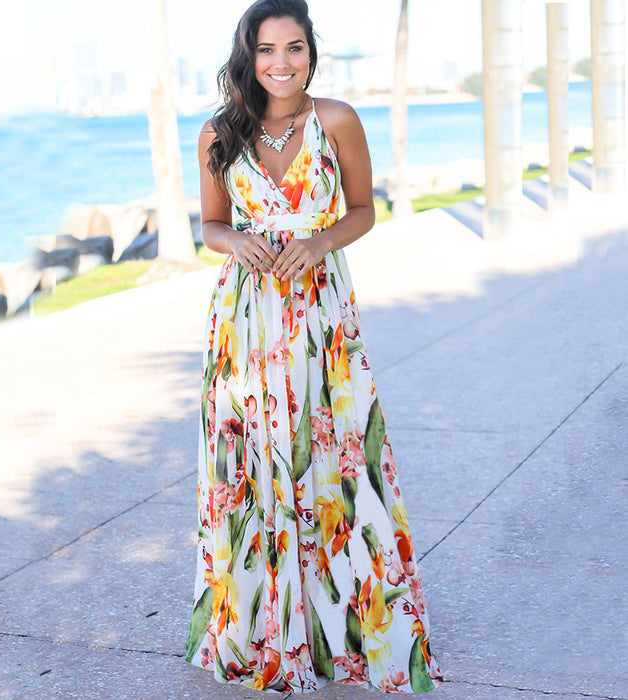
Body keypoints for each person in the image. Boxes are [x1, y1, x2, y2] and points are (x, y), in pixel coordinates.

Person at [184, 0, 444, 693]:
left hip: (321, 319)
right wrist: (236, 240)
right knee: (254, 471)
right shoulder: (219, 132)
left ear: (310, 51)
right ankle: (267, 633)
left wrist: (320, 240)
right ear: (248, 55)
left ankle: (347, 634)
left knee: (335, 461)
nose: (281, 63)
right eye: (267, 50)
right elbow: (209, 225)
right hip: (245, 324)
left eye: (294, 47)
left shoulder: (337, 120)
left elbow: (364, 208)